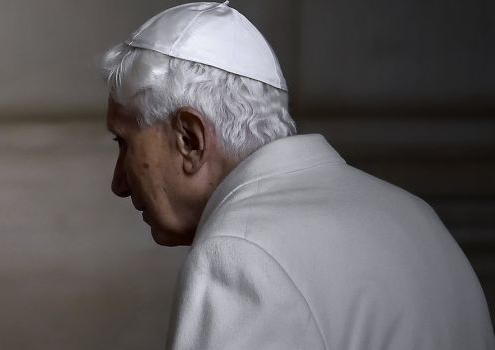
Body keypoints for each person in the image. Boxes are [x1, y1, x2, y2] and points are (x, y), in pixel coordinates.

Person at [100, 1, 494, 349]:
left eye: (124, 143)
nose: (119, 183)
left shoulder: (240, 251)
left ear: (190, 139)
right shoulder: (414, 214)